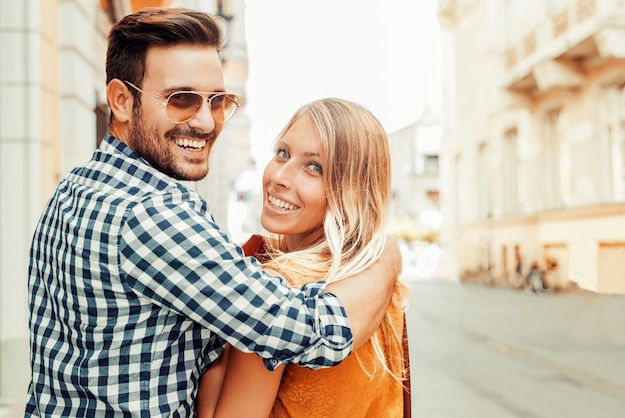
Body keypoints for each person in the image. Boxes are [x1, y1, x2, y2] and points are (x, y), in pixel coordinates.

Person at [25, 8, 402, 417]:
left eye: (218, 101)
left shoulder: (78, 186)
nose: (206, 122)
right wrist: (386, 259)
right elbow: (310, 331)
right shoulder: (152, 216)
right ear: (121, 100)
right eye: (181, 99)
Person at [197, 98, 412, 417]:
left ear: (351, 190)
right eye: (282, 152)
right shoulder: (378, 283)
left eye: (314, 167)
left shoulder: (279, 292)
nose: (280, 177)